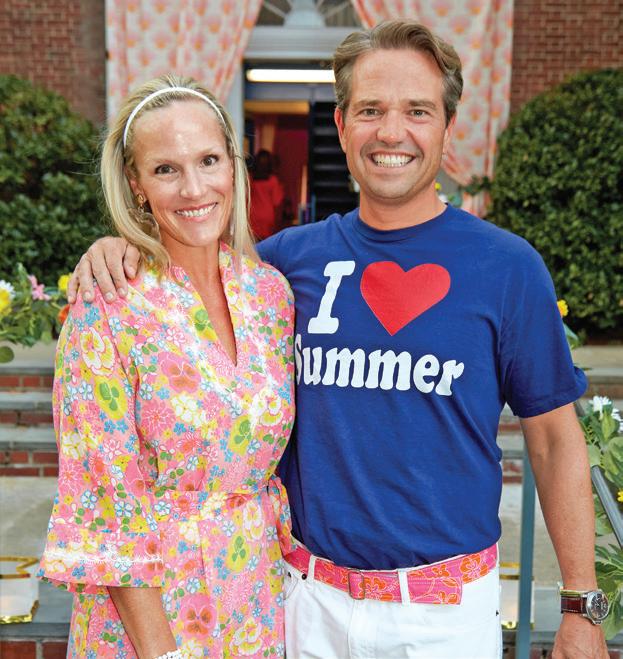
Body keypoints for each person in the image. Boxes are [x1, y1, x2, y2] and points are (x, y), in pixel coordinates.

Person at [68, 21, 608, 659]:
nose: (391, 132)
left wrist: (581, 605)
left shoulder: (508, 268)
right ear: (343, 124)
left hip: (442, 619)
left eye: (417, 111)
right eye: (371, 110)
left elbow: (554, 441)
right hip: (304, 607)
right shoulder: (282, 269)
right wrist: (122, 247)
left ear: (448, 127)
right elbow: (191, 266)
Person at [38, 75, 295, 658]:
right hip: (148, 624)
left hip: (255, 603)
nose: (194, 188)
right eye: (165, 169)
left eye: (208, 160)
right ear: (136, 184)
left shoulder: (269, 295)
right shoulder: (108, 304)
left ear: (233, 164)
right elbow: (107, 502)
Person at [248, 150, 284, 240]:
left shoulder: (250, 179)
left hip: (253, 216)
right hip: (268, 217)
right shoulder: (273, 180)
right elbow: (276, 202)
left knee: (253, 243)